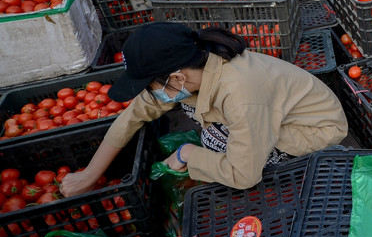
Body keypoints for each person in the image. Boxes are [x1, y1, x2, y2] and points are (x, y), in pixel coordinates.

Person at [60, 22, 348, 194]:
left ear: (176, 78)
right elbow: (133, 116)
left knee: (224, 150)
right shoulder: (190, 71)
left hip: (315, 131)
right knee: (219, 140)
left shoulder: (240, 92)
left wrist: (188, 154)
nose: (150, 94)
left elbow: (243, 176)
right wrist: (88, 175)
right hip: (266, 115)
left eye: (149, 86)